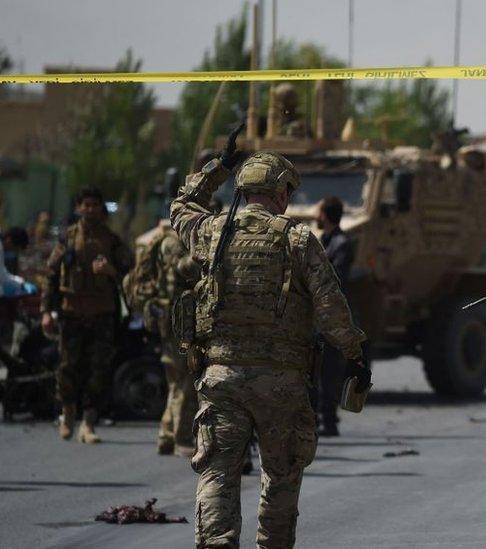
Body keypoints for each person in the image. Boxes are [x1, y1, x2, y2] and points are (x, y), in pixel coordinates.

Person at [170, 124, 370, 548]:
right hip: (282, 382)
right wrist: (354, 352)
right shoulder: (297, 239)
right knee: (281, 476)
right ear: (281, 194)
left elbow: (182, 205)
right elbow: (330, 307)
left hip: (222, 378)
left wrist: (218, 166)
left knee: (218, 475)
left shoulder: (212, 234)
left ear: (243, 190)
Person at [42, 187, 131, 443]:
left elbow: (130, 275)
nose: (90, 209)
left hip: (102, 314)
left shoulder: (112, 241)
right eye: (86, 205)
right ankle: (68, 412)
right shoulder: (67, 239)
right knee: (68, 367)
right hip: (71, 313)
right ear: (79, 207)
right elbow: (51, 276)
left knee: (98, 370)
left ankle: (89, 423)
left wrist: (111, 271)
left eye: (94, 205)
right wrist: (47, 311)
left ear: (100, 208)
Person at [125, 216, 200, 457]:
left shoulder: (172, 238)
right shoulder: (174, 242)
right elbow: (182, 270)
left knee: (177, 381)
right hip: (179, 322)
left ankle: (167, 435)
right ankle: (181, 438)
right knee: (184, 381)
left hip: (178, 320)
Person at [314, 196, 355, 436]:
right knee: (315, 368)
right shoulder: (325, 241)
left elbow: (337, 278)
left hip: (332, 317)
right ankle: (319, 417)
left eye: (319, 213)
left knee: (329, 370)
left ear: (326, 215)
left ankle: (329, 420)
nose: (315, 217)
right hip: (318, 315)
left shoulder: (342, 243)